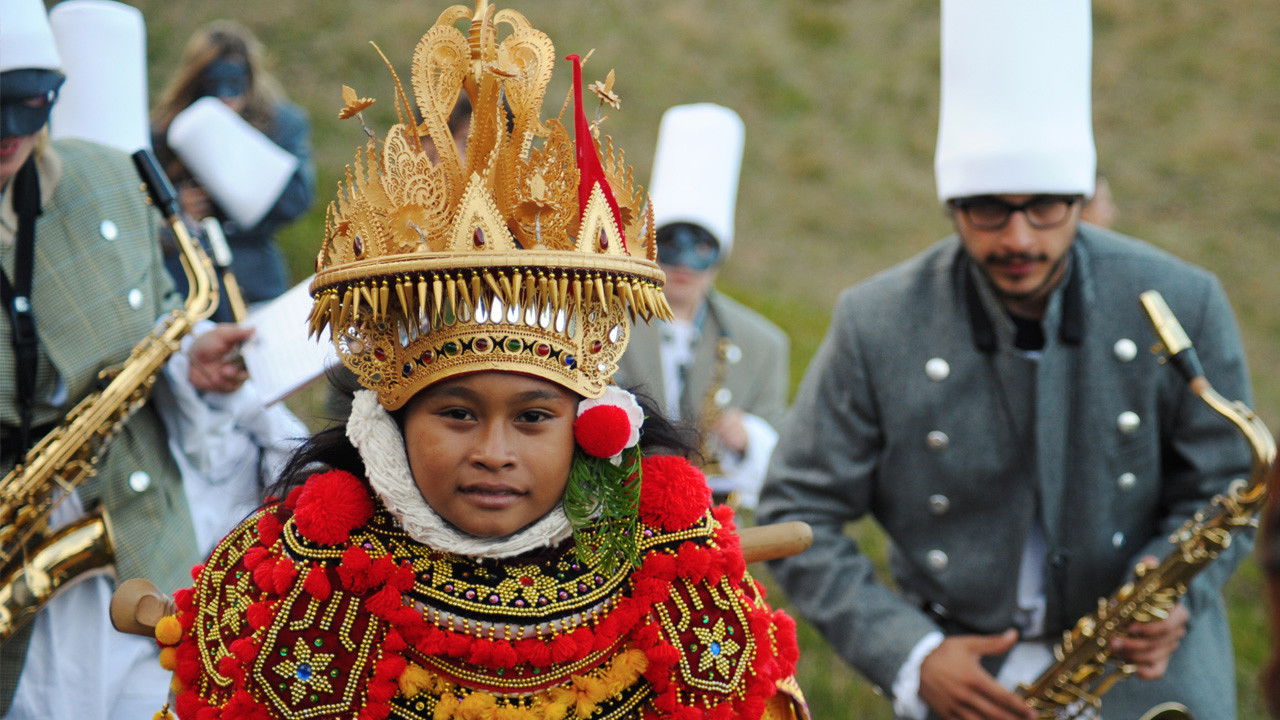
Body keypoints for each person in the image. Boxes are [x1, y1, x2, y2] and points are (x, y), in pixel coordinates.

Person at [148, 4, 806, 719]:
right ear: (392, 419)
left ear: (592, 427)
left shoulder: (679, 581)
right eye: (457, 413)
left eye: (532, 418)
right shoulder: (309, 582)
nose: (494, 452)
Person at [758, 3, 1251, 720]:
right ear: (952, 204)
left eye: (1046, 207)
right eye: (989, 208)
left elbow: (1226, 479)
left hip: (1148, 676)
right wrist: (912, 655)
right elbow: (799, 510)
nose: (1019, 237)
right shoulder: (876, 319)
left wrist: (1177, 590)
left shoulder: (1183, 297)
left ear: (1082, 198)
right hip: (962, 677)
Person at [0, 0, 252, 716]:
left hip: (137, 545)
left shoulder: (108, 179)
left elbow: (154, 318)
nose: (11, 138)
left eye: (30, 105)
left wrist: (192, 362)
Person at [615, 103, 788, 511]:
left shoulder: (762, 344)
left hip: (712, 525)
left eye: (702, 247)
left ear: (719, 254)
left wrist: (749, 440)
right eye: (670, 242)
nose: (683, 263)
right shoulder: (601, 319)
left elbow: (784, 460)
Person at [151, 20, 314, 307]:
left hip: (255, 279)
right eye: (215, 84)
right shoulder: (164, 131)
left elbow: (297, 200)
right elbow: (139, 220)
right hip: (188, 286)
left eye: (235, 85)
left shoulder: (280, 124)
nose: (226, 97)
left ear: (249, 81)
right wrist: (178, 212)